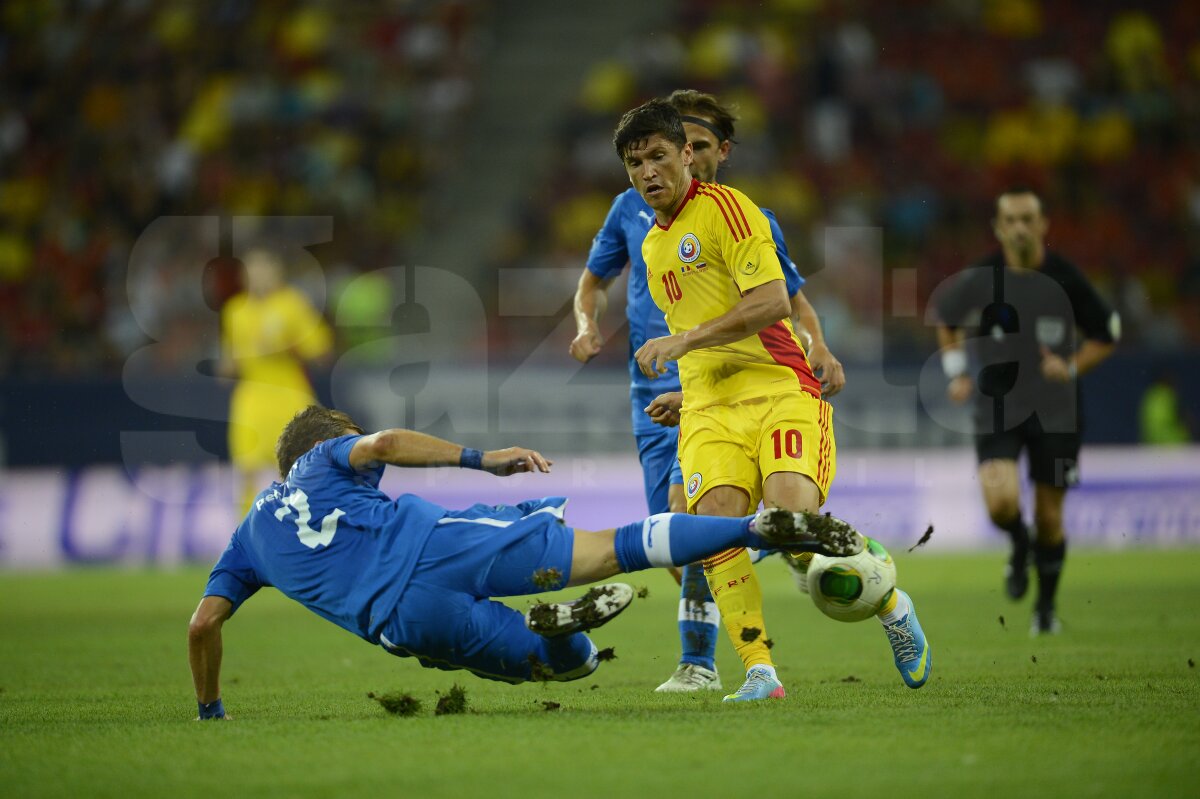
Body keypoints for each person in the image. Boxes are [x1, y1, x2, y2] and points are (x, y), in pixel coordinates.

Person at [187, 405, 866, 719]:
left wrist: (211, 708)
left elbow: (202, 625)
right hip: (441, 543)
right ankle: (751, 526)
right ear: (329, 440)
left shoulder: (245, 538)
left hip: (404, 620)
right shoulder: (320, 456)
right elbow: (386, 441)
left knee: (567, 664)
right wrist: (479, 459)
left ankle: (562, 631)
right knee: (612, 547)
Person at [613, 99, 931, 701]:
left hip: (780, 391)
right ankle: (760, 671)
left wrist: (681, 340)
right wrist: (689, 389)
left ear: (687, 155)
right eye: (635, 163)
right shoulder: (654, 248)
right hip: (709, 409)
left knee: (790, 524)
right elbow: (713, 334)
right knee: (715, 534)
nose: (647, 172)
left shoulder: (730, 211)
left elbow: (771, 305)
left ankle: (890, 601)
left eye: (658, 156)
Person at [571, 88, 845, 694]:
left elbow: (788, 298)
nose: (671, 160)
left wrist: (817, 344)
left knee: (697, 527)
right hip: (658, 392)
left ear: (710, 152)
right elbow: (591, 282)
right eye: (651, 155)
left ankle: (701, 660)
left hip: (735, 385)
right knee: (678, 546)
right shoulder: (631, 215)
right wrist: (588, 325)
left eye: (690, 146)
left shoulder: (746, 215)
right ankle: (786, 546)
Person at [934, 189, 1119, 635]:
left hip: (1056, 411)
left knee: (1051, 516)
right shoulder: (981, 276)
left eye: (1027, 219)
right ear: (998, 228)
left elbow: (1107, 332)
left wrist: (1072, 366)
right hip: (998, 405)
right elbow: (946, 317)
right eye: (1011, 220)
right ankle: (1019, 542)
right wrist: (957, 370)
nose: (1019, 227)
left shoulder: (1066, 279)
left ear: (1043, 225)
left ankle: (1045, 610)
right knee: (1001, 505)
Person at [219, 248, 333, 513]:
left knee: (298, 468)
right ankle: (246, 537)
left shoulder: (292, 304)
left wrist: (286, 346)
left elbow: (322, 352)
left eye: (263, 269)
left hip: (288, 394)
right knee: (246, 469)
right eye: (252, 270)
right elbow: (228, 363)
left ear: (277, 272)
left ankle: (305, 531)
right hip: (252, 397)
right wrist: (228, 365)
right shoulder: (234, 311)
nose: (258, 276)